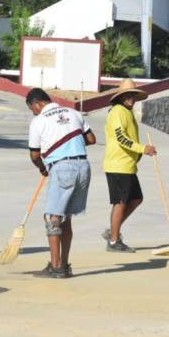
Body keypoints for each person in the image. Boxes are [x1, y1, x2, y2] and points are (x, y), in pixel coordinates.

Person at [26, 88, 96, 279]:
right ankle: (64, 264)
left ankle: (56, 267)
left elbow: (34, 155)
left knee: (53, 218)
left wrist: (42, 167)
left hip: (62, 168)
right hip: (83, 167)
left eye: (32, 108)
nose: (33, 112)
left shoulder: (38, 121)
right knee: (67, 218)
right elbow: (91, 139)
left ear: (36, 104)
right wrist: (69, 141)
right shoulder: (74, 113)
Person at [102, 78, 156, 253]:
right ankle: (114, 241)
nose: (131, 98)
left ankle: (113, 231)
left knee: (136, 199)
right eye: (127, 95)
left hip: (128, 165)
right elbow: (121, 138)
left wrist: (140, 153)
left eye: (133, 95)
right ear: (120, 97)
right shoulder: (117, 111)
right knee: (120, 202)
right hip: (118, 165)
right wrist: (142, 149)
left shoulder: (127, 111)